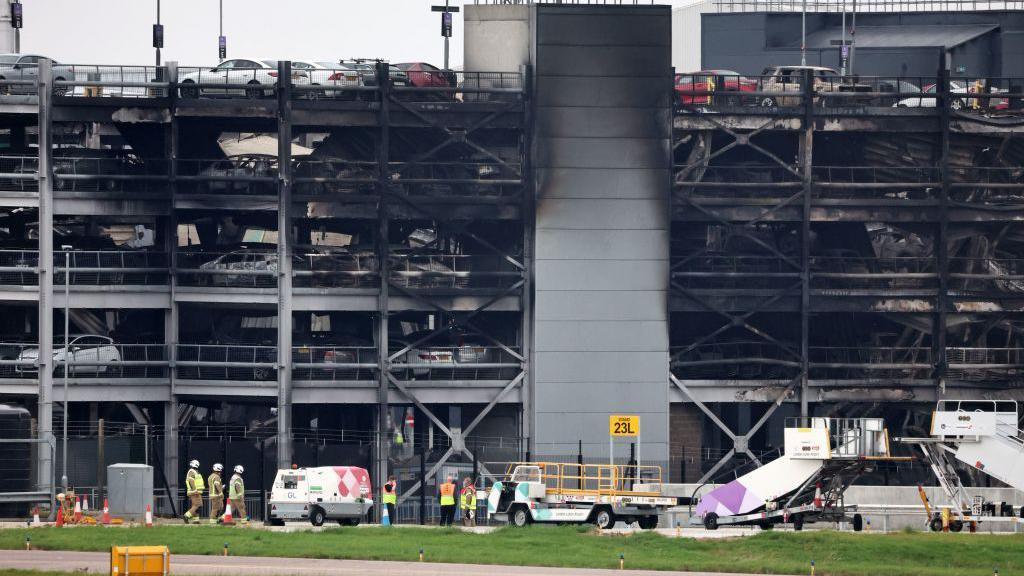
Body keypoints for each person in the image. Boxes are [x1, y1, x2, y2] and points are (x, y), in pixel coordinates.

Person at [183, 459, 205, 524]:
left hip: (196, 491)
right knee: (198, 505)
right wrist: (195, 490)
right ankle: (186, 515)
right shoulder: (192, 471)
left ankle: (196, 520)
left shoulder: (194, 471)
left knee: (195, 505)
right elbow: (191, 481)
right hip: (195, 492)